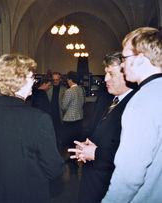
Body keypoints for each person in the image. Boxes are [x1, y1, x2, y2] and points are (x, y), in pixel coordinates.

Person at [0, 54, 64, 203]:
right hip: (28, 194)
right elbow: (54, 168)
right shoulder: (38, 119)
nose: (34, 82)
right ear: (18, 80)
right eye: (32, 77)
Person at [102, 27, 162, 202]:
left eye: (125, 58)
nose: (122, 64)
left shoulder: (142, 101)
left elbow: (129, 175)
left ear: (141, 59)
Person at [67, 52, 136, 203]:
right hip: (92, 180)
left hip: (112, 184)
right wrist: (85, 145)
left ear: (126, 74)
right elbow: (94, 128)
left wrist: (96, 153)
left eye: (111, 74)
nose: (105, 79)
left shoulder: (137, 105)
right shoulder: (107, 97)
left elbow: (133, 156)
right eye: (106, 74)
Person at [61, 71, 85, 153]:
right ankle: (76, 159)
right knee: (76, 141)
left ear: (70, 80)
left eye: (67, 80)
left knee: (69, 142)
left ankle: (71, 160)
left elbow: (63, 106)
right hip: (79, 118)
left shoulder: (69, 91)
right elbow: (83, 102)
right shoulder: (81, 89)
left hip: (69, 119)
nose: (67, 81)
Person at [46, 72, 66, 144]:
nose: (55, 81)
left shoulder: (65, 90)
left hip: (60, 113)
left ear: (60, 79)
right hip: (50, 113)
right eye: (53, 79)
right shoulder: (48, 88)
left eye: (57, 79)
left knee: (59, 129)